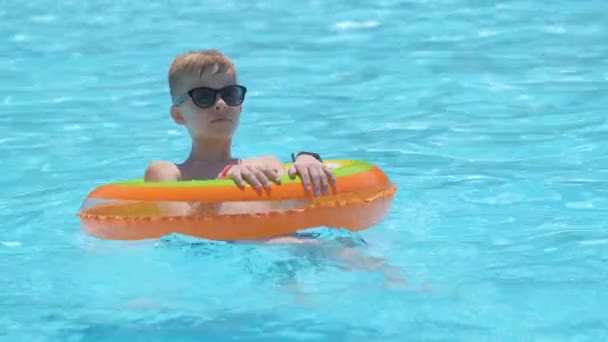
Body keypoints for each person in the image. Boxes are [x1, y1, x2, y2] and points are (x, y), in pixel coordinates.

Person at [144, 49, 336, 224]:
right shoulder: (168, 173)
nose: (221, 104)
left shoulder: (265, 164)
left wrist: (307, 161)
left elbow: (304, 207)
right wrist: (222, 186)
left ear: (240, 105)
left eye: (230, 94)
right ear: (179, 115)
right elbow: (181, 228)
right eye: (203, 96)